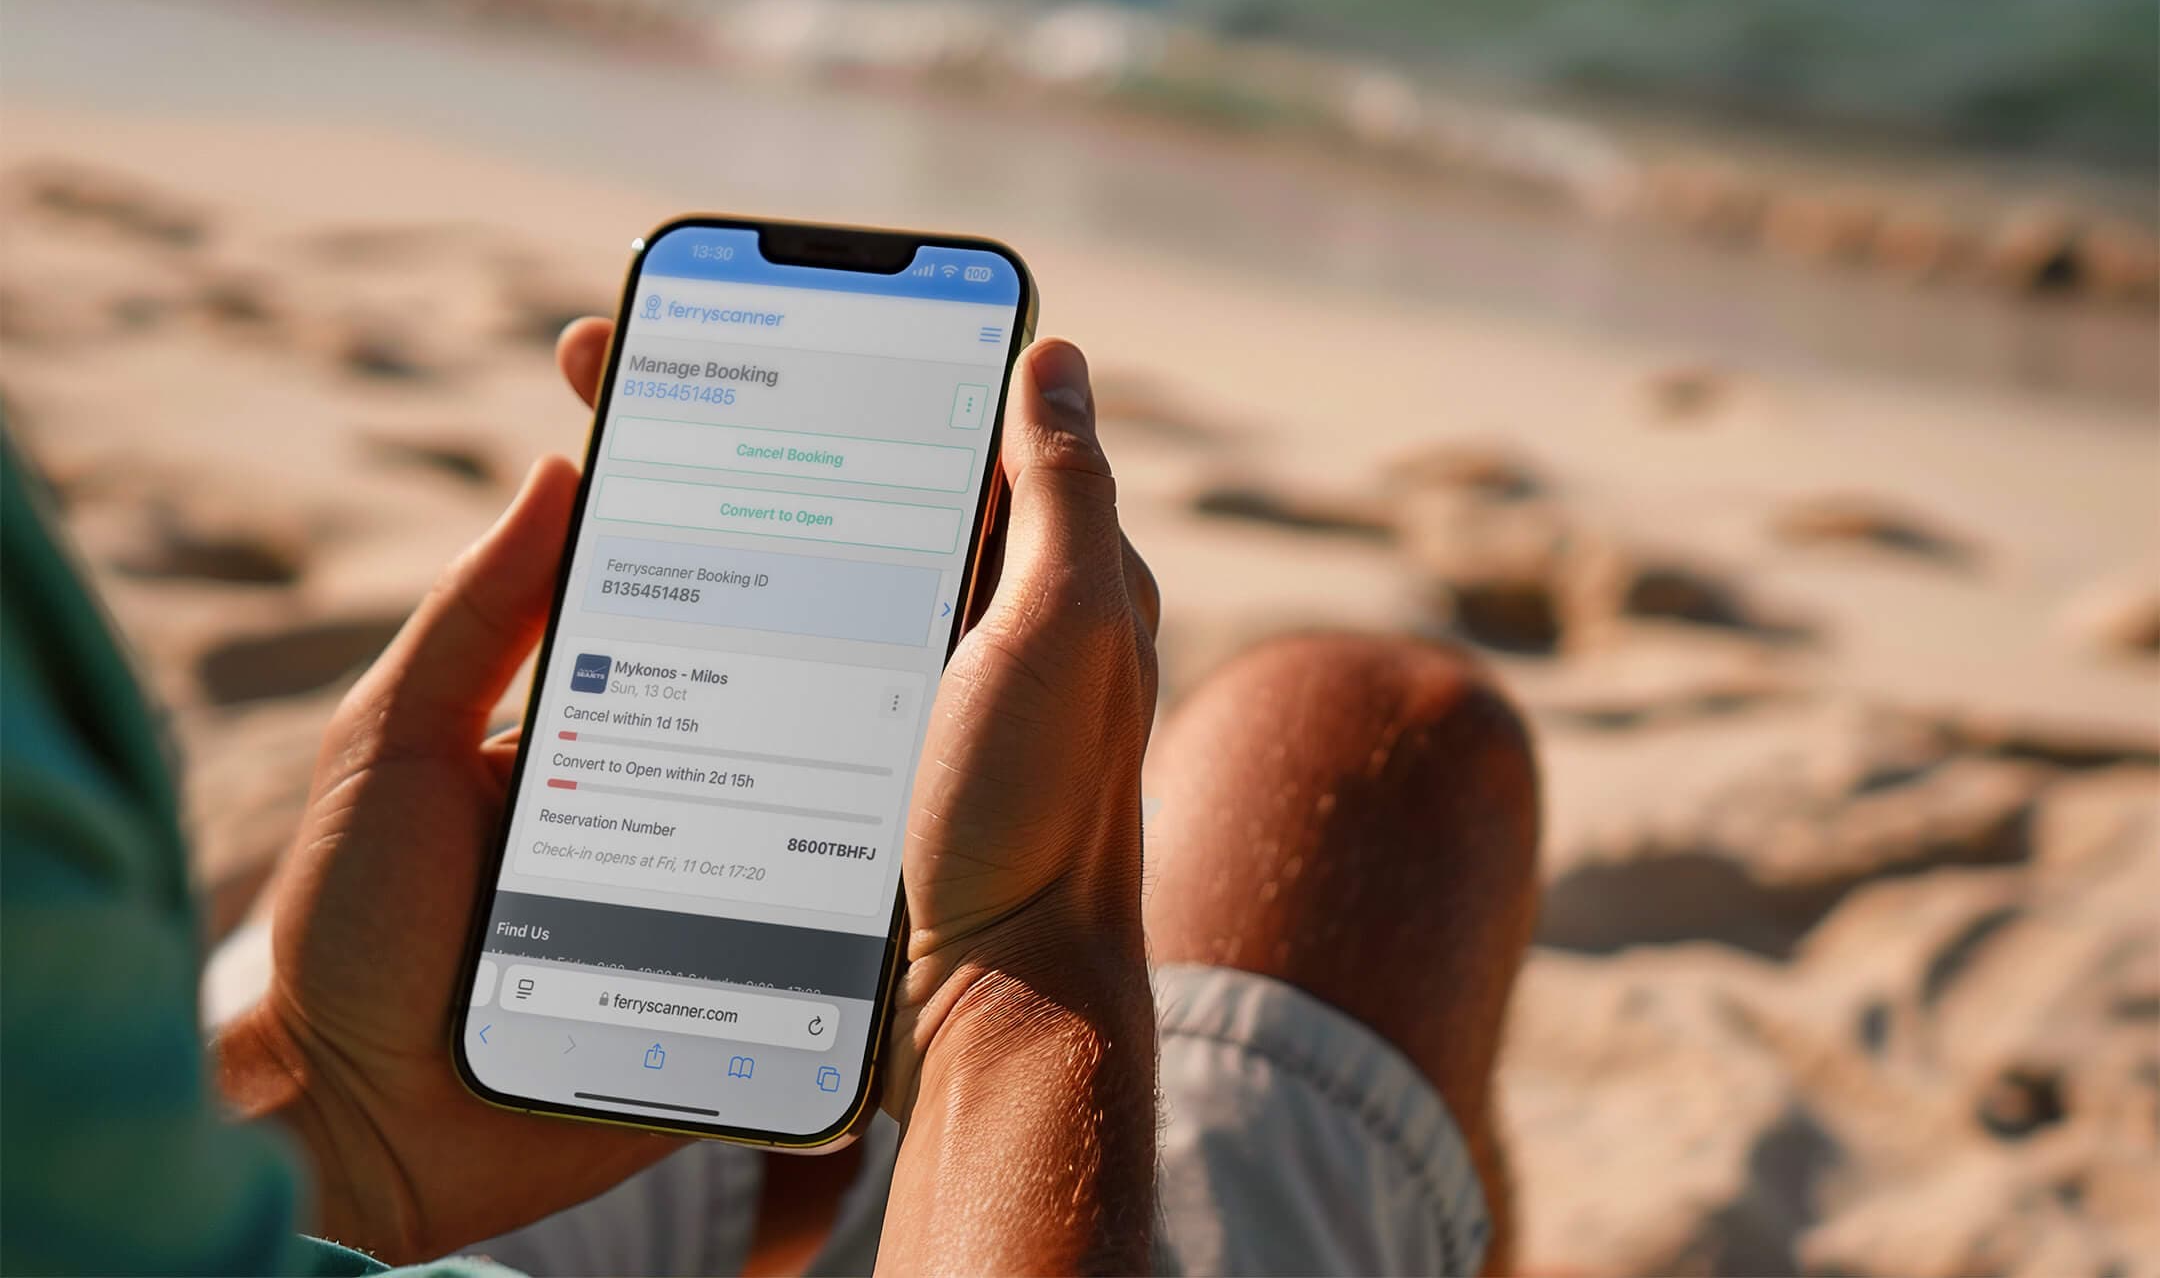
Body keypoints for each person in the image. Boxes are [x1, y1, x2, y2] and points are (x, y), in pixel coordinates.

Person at [1, 324, 1538, 1277]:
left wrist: (324, 1097)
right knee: (1378, 738)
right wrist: (1022, 971)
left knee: (739, 1047)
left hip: (278, 1180)